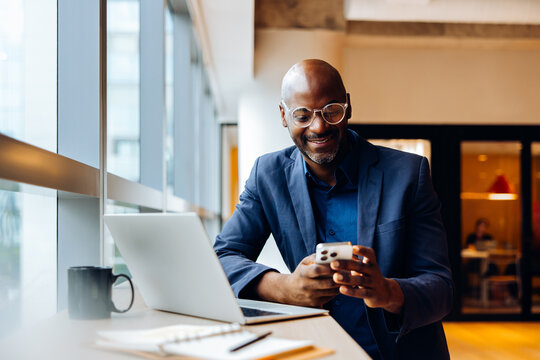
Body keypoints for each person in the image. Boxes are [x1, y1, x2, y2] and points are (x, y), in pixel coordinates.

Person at [214, 59, 452, 359]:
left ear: (348, 106)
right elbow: (222, 258)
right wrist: (285, 287)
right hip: (318, 351)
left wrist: (387, 291)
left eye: (331, 111)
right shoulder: (268, 175)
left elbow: (441, 289)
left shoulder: (408, 173)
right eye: (302, 115)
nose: (319, 126)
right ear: (283, 116)